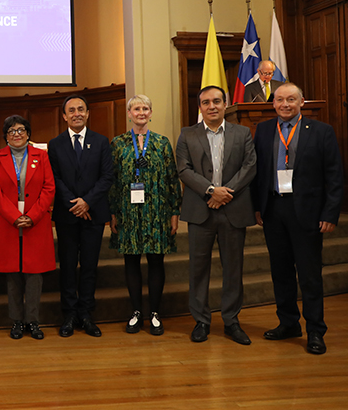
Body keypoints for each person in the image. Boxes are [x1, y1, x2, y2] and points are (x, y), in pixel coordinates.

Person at [252, 83, 342, 354]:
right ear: (273, 104)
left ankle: (315, 330)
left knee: (310, 275)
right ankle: (288, 323)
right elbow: (258, 172)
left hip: (308, 213)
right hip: (274, 210)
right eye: (280, 100)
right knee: (281, 272)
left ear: (302, 102)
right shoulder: (265, 130)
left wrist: (330, 213)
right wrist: (258, 207)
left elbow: (334, 176)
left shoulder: (322, 131)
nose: (285, 104)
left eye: (291, 99)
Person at [176, 85, 256, 345]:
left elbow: (250, 166)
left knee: (233, 268)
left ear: (225, 104)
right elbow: (184, 170)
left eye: (216, 101)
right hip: (201, 211)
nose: (212, 106)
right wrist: (211, 190)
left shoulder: (242, 133)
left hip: (233, 209)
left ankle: (231, 320)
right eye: (206, 102)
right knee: (198, 269)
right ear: (200, 107)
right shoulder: (187, 135)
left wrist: (225, 193)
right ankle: (201, 320)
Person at [109, 95, 181, 336]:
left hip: (157, 211)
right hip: (128, 212)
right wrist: (113, 212)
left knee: (156, 261)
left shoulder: (162, 142)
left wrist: (174, 212)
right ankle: (136, 311)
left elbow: (172, 179)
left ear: (151, 113)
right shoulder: (118, 143)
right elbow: (113, 181)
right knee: (131, 261)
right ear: (129, 114)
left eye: (145, 108)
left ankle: (154, 313)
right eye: (136, 108)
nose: (141, 112)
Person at [0, 115, 55, 340]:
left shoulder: (41, 156)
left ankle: (32, 321)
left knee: (34, 274)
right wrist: (14, 215)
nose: (17, 134)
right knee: (13, 273)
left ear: (28, 133)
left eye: (21, 129)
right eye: (11, 130)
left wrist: (32, 215)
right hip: (7, 222)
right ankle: (16, 321)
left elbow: (49, 188)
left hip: (36, 220)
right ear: (5, 135)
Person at [48, 95, 114, 338]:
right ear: (64, 116)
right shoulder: (54, 144)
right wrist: (74, 203)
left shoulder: (101, 142)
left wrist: (87, 201)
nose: (76, 113)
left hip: (93, 214)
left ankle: (86, 313)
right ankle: (69, 314)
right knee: (66, 266)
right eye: (71, 110)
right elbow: (54, 178)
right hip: (66, 215)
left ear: (88, 114)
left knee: (88, 266)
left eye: (81, 109)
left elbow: (107, 176)